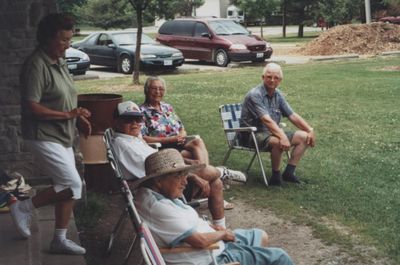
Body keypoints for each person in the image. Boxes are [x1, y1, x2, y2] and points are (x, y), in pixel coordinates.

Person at [11, 13, 91, 255]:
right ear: (47, 39)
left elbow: (65, 98)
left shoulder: (60, 60)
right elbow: (31, 107)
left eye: (69, 39)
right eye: (63, 40)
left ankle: (59, 239)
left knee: (68, 185)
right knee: (72, 183)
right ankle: (24, 207)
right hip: (42, 134)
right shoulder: (36, 65)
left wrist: (77, 119)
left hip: (62, 134)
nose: (68, 45)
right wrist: (69, 115)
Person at [134, 148, 294, 265]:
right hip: (209, 256)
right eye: (178, 176)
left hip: (208, 246)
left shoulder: (148, 194)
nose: (184, 182)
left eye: (185, 175)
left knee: (261, 235)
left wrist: (210, 227)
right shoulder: (158, 207)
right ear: (158, 180)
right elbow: (200, 241)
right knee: (279, 257)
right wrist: (223, 234)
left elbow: (181, 228)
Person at [112, 101, 242, 227]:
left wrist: (188, 163)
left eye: (138, 119)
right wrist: (194, 176)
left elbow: (157, 160)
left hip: (165, 178)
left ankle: (220, 227)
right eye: (128, 119)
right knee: (213, 177)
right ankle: (223, 173)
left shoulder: (132, 139)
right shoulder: (125, 146)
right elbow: (155, 172)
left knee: (211, 175)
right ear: (117, 123)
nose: (135, 123)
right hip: (161, 190)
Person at [140, 76, 246, 185]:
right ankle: (216, 175)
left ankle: (206, 177)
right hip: (163, 148)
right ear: (147, 90)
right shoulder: (142, 111)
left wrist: (181, 136)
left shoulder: (167, 107)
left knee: (197, 141)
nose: (158, 92)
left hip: (178, 142)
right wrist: (170, 139)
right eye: (154, 88)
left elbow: (181, 128)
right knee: (190, 156)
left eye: (161, 89)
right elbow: (143, 138)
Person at [241, 63, 316, 186]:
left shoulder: (278, 94)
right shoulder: (255, 94)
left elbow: (292, 115)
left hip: (271, 132)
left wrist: (309, 130)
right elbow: (266, 120)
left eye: (276, 78)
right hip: (252, 134)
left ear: (280, 80)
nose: (272, 80)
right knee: (279, 142)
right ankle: (276, 177)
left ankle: (289, 173)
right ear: (262, 77)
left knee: (304, 137)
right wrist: (282, 136)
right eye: (269, 77)